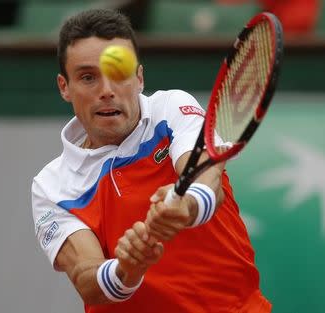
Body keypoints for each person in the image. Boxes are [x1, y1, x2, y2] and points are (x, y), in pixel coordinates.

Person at [32, 8, 271, 313]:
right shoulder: (51, 187)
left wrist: (185, 205)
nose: (106, 91)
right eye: (88, 77)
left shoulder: (172, 109)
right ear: (64, 87)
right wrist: (125, 269)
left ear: (139, 78)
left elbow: (206, 176)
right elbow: (86, 278)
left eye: (118, 73)